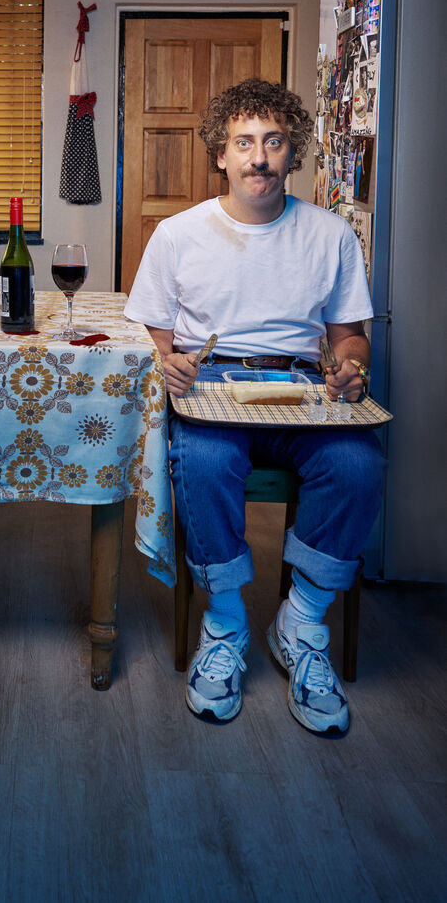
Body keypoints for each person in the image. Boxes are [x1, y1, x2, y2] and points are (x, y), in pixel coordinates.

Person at [125, 79, 385, 736]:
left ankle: (302, 621)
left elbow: (350, 334)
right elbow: (151, 331)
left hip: (303, 391)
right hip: (213, 389)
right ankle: (226, 620)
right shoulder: (178, 235)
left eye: (273, 141)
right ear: (221, 152)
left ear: (292, 150)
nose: (259, 158)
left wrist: (350, 364)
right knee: (206, 459)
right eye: (244, 142)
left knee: (358, 463)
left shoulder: (330, 235)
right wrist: (169, 359)